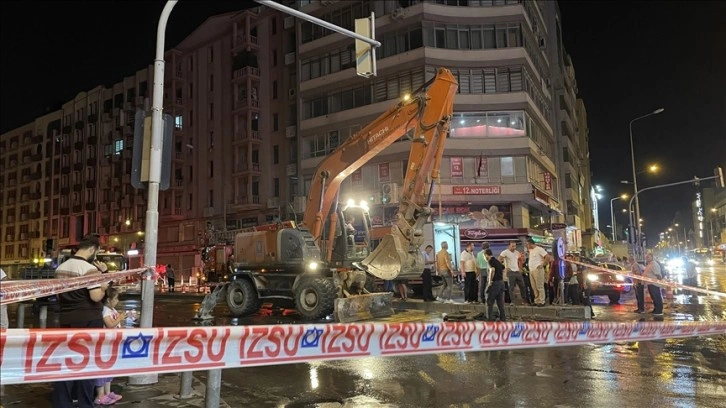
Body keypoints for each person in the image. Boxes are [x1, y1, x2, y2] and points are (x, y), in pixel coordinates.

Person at [53, 234, 110, 408]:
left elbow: (59, 295)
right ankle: (84, 402)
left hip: (66, 318)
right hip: (88, 319)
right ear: (92, 249)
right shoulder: (88, 268)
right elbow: (95, 296)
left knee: (66, 360)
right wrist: (103, 285)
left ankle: (63, 402)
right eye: (96, 252)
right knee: (87, 361)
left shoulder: (61, 268)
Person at [94, 287, 126, 405]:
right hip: (105, 344)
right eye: (116, 298)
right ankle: (100, 395)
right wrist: (119, 318)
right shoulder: (105, 310)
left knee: (110, 368)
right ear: (108, 299)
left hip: (112, 343)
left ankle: (107, 393)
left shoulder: (112, 309)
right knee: (103, 368)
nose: (117, 301)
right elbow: (110, 324)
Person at [499, 241, 527, 305]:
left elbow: (520, 260)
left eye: (515, 246)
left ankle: (524, 300)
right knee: (511, 287)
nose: (514, 247)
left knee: (522, 286)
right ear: (509, 246)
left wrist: (520, 268)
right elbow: (499, 259)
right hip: (510, 271)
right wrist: (505, 267)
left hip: (517, 271)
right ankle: (512, 301)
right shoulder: (505, 252)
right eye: (512, 246)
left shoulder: (517, 252)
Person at [526, 238, 550, 306]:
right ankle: (536, 300)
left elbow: (547, 257)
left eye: (527, 244)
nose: (527, 246)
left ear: (530, 244)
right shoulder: (531, 251)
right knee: (534, 286)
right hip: (531, 270)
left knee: (539, 286)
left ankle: (541, 301)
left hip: (538, 269)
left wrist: (543, 264)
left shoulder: (539, 249)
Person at [484, 249, 506, 321]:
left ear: (486, 255)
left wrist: (490, 281)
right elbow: (503, 268)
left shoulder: (490, 261)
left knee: (489, 302)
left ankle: (489, 319)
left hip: (494, 283)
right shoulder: (497, 261)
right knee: (500, 303)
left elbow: (492, 270)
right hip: (501, 283)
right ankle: (503, 318)